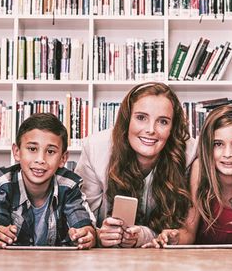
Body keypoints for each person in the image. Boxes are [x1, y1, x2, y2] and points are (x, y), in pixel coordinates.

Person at [75, 82, 194, 248]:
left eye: (163, 121)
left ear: (172, 128)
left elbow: (186, 231)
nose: (151, 129)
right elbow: (82, 218)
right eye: (141, 118)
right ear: (127, 120)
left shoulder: (189, 153)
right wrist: (97, 233)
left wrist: (145, 236)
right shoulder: (95, 148)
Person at [146, 105, 232, 248]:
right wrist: (173, 238)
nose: (227, 154)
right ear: (208, 147)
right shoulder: (199, 169)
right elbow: (189, 232)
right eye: (218, 144)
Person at [0, 113, 96, 249]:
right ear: (17, 151)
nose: (40, 159)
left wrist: (86, 235)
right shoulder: (3, 183)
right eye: (32, 149)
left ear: (63, 158)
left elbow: (83, 225)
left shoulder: (68, 185)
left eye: (50, 152)